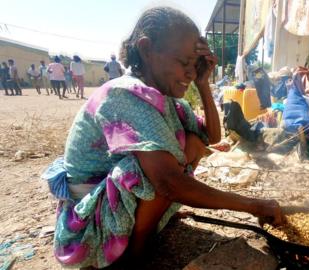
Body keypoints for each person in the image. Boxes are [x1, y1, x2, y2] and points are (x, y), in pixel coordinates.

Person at [41, 6, 282, 269]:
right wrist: (254, 206)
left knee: (191, 141)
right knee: (148, 170)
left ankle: (147, 226)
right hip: (91, 224)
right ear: (147, 50)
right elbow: (167, 182)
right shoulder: (123, 94)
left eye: (195, 64)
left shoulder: (163, 96)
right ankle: (134, 254)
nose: (190, 73)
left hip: (113, 202)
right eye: (183, 62)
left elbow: (209, 140)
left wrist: (203, 85)